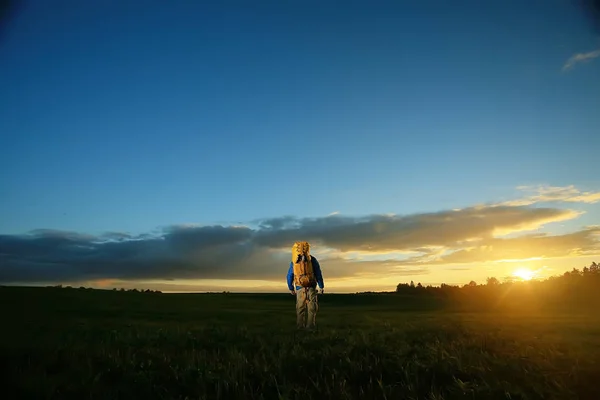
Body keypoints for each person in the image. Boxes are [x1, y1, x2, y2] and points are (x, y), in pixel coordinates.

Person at [286, 251, 324, 330]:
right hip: (311, 287)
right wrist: (321, 286)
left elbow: (290, 275)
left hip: (300, 288)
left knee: (300, 308)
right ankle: (310, 328)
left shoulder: (294, 261)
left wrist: (291, 288)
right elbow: (318, 273)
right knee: (312, 308)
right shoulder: (312, 259)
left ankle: (300, 328)